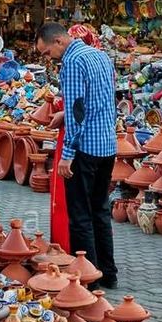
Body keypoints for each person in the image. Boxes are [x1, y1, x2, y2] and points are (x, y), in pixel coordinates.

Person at [35, 22, 118, 289]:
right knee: (100, 212)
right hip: (107, 145)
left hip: (84, 149)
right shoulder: (99, 55)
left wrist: (67, 156)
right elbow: (103, 101)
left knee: (80, 215)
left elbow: (77, 112)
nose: (50, 59)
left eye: (48, 53)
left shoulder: (71, 64)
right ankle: (108, 274)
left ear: (59, 41)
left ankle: (88, 281)